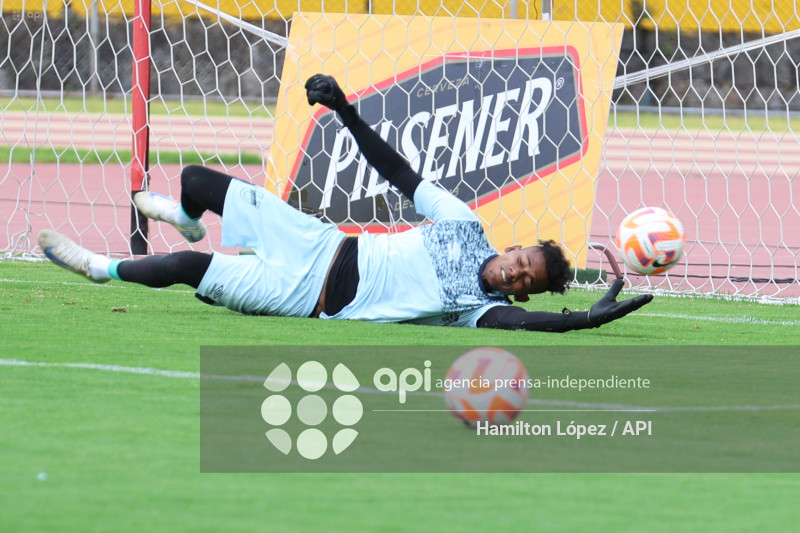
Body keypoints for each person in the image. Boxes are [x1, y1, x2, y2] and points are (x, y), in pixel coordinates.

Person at [38, 74, 652, 332]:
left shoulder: (479, 310)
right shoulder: (465, 224)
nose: (518, 270)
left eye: (527, 280)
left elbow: (538, 325)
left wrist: (588, 318)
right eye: (525, 259)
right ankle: (189, 220)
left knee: (183, 270)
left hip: (310, 298)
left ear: (519, 292)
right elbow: (397, 170)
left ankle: (97, 268)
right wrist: (345, 109)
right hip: (320, 242)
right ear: (516, 247)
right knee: (197, 181)